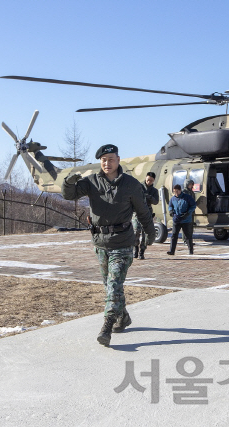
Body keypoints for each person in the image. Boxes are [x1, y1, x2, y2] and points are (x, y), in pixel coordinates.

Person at [62, 144, 155, 348]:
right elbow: (69, 195)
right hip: (100, 243)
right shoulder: (92, 182)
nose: (107, 163)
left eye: (110, 159)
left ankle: (107, 325)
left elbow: (143, 211)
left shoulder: (131, 184)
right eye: (103, 160)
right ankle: (124, 317)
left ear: (118, 160)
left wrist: (150, 233)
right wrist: (69, 181)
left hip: (122, 243)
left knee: (113, 285)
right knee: (111, 286)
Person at [132, 172, 159, 260]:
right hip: (137, 212)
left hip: (147, 214)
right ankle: (135, 248)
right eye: (148, 180)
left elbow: (156, 201)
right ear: (145, 178)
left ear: (153, 180)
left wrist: (148, 197)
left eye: (151, 180)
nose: (149, 182)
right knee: (136, 232)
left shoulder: (154, 191)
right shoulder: (138, 186)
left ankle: (142, 252)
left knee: (145, 234)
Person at [167, 184, 196, 255]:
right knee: (174, 235)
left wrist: (188, 213)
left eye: (177, 191)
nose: (176, 193)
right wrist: (171, 211)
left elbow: (193, 205)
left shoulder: (187, 197)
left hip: (186, 220)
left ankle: (191, 250)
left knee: (188, 236)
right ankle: (172, 251)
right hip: (176, 220)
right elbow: (170, 206)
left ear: (180, 190)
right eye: (174, 192)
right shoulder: (173, 199)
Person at [182, 179, 196, 245]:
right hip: (186, 211)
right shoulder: (184, 192)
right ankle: (185, 240)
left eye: (191, 185)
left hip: (191, 212)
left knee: (190, 227)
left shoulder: (192, 192)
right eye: (190, 184)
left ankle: (189, 240)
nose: (191, 186)